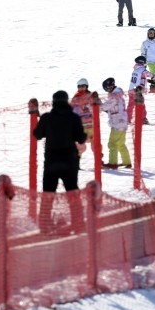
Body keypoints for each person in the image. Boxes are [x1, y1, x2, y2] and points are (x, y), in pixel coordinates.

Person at [35, 90, 87, 229]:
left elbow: (37, 134)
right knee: (73, 194)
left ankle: (45, 225)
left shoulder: (47, 117)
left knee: (48, 195)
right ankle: (78, 223)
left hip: (51, 162)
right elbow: (81, 138)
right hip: (70, 162)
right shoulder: (73, 117)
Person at [101, 78, 131, 169]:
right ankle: (127, 162)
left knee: (112, 143)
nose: (108, 91)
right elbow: (113, 108)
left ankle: (113, 163)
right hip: (123, 122)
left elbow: (106, 106)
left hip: (117, 123)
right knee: (121, 143)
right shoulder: (119, 95)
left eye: (107, 88)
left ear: (112, 86)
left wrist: (96, 105)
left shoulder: (114, 96)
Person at [70, 78, 96, 144]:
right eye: (79, 86)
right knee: (80, 143)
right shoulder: (75, 98)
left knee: (94, 141)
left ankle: (98, 153)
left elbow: (97, 108)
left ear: (86, 87)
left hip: (91, 124)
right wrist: (79, 108)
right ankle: (77, 154)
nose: (81, 88)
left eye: (83, 86)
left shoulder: (91, 96)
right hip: (81, 125)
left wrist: (89, 107)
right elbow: (71, 109)